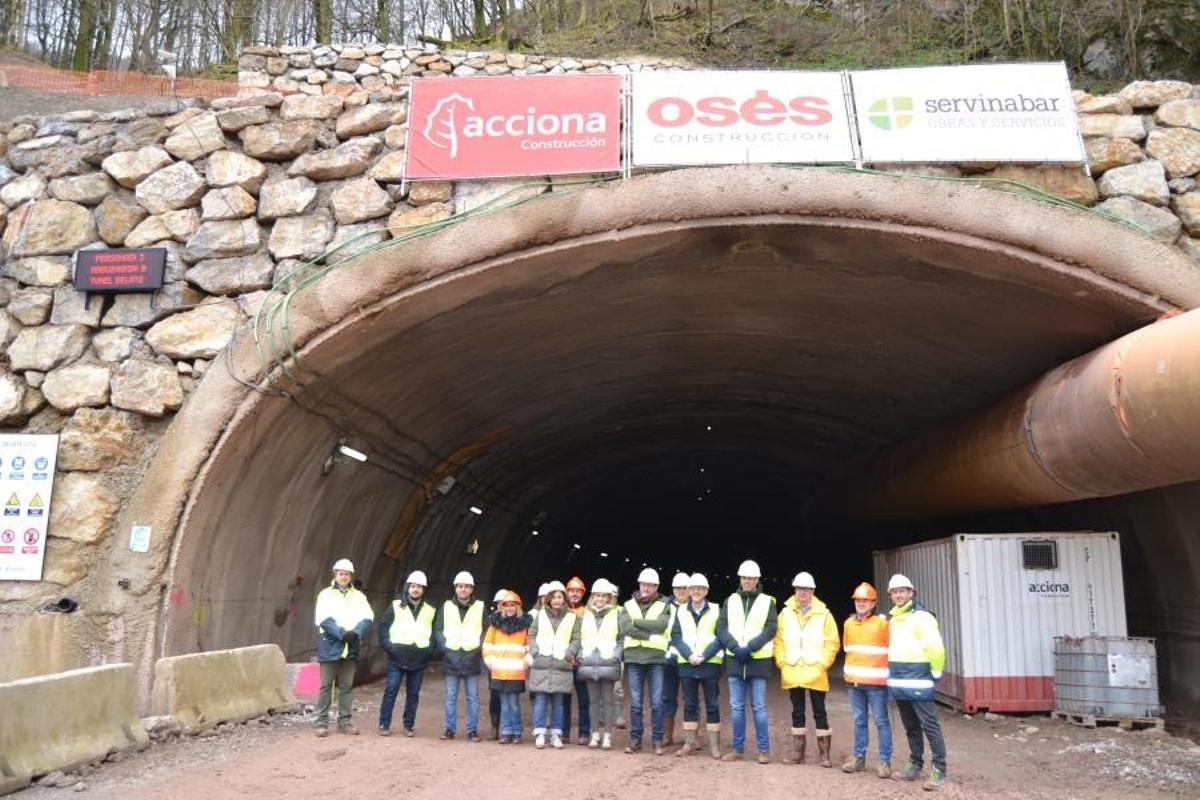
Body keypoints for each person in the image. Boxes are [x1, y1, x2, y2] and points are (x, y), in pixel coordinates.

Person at [886, 574, 949, 791]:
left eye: (902, 591)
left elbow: (937, 648)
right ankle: (915, 763)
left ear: (911, 593)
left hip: (920, 680)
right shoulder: (892, 619)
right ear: (890, 596)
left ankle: (939, 768)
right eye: (895, 592)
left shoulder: (923, 617)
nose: (899, 595)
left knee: (929, 726)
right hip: (900, 681)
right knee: (911, 726)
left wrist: (936, 673)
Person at [774, 571, 839, 767]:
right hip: (793, 669)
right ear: (795, 590)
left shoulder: (824, 614)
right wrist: (782, 663)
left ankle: (824, 754)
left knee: (820, 711)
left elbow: (832, 643)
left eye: (806, 589)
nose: (802, 592)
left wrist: (822, 665)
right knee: (797, 711)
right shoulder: (785, 614)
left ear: (813, 591)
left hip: (815, 670)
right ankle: (797, 753)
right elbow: (778, 642)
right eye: (799, 588)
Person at [716, 559, 777, 764]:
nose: (747, 581)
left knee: (758, 707)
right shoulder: (730, 600)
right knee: (736, 708)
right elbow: (721, 628)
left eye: (751, 578)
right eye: (744, 577)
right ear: (740, 579)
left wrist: (750, 647)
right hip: (735, 660)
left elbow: (771, 628)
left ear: (757, 579)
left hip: (757, 661)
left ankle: (763, 750)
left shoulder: (768, 601)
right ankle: (737, 749)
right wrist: (735, 648)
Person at [313, 558, 374, 736]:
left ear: (351, 576)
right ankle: (321, 723)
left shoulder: (359, 596)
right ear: (335, 575)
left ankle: (345, 722)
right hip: (330, 646)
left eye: (347, 574)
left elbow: (367, 617)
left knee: (346, 686)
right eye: (341, 574)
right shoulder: (325, 595)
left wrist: (355, 633)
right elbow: (323, 619)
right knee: (326, 686)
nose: (344, 577)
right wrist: (342, 634)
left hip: (351, 647)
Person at [669, 573, 723, 759]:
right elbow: (675, 636)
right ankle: (689, 743)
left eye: (700, 588)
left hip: (709, 664)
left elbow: (721, 636)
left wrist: (704, 655)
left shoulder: (716, 609)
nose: (696, 591)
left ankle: (714, 746)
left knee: (712, 705)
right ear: (689, 591)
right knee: (690, 704)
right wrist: (689, 654)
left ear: (706, 591)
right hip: (687, 664)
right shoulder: (681, 611)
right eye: (693, 588)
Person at [842, 581, 893, 778]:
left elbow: (891, 650)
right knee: (859, 721)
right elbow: (847, 649)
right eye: (858, 600)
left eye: (866, 600)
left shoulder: (882, 624)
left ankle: (884, 762)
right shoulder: (848, 624)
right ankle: (859, 759)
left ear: (873, 603)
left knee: (881, 722)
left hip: (877, 685)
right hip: (855, 683)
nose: (861, 603)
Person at [377, 570, 435, 736]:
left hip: (419, 658)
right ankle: (384, 724)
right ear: (408, 588)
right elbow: (383, 627)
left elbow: (433, 632)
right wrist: (389, 647)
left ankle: (408, 725)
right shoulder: (396, 606)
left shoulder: (430, 610)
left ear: (424, 589)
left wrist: (429, 650)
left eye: (419, 587)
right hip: (397, 657)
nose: (416, 589)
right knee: (391, 691)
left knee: (413, 694)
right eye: (413, 586)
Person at [621, 567, 672, 755]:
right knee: (635, 703)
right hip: (634, 658)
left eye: (650, 585)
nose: (646, 588)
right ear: (639, 584)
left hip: (655, 659)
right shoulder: (628, 605)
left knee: (657, 702)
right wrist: (647, 631)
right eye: (643, 584)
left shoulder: (665, 604)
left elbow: (661, 626)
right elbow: (625, 628)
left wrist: (636, 622)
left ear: (656, 587)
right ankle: (636, 740)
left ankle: (657, 740)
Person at [529, 580, 581, 749]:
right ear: (549, 599)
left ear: (565, 599)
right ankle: (540, 733)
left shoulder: (573, 617)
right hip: (542, 664)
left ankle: (556, 734)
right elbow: (531, 634)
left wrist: (569, 653)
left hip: (561, 665)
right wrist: (535, 651)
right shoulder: (540, 615)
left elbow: (576, 638)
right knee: (541, 701)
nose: (558, 600)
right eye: (554, 597)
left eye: (560, 597)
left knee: (559, 703)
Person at [435, 570, 486, 742]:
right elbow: (439, 628)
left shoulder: (480, 606)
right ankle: (450, 729)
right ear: (455, 588)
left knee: (473, 697)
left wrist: (479, 647)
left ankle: (472, 731)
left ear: (472, 589)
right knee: (450, 697)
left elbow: (486, 629)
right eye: (460, 586)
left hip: (472, 656)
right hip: (452, 656)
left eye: (466, 587)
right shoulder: (446, 606)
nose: (463, 589)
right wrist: (444, 647)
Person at [575, 578, 626, 750]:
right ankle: (594, 734)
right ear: (593, 596)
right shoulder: (584, 615)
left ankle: (607, 736)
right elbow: (579, 638)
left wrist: (616, 657)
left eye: (604, 596)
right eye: (597, 596)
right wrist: (581, 656)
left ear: (609, 598)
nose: (601, 599)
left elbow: (621, 639)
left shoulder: (617, 614)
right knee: (593, 702)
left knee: (608, 700)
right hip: (589, 662)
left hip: (608, 661)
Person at [483, 590, 532, 744]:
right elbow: (487, 645)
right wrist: (491, 662)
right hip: (499, 671)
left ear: (518, 607)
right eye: (507, 605)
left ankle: (516, 732)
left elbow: (530, 647)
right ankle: (506, 731)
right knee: (504, 703)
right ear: (502, 607)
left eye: (513, 605)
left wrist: (526, 663)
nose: (510, 608)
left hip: (516, 672)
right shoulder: (494, 626)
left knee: (514, 704)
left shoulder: (525, 627)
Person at [562, 576, 591, 745]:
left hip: (581, 662)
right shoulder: (562, 612)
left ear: (583, 594)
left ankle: (584, 733)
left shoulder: (588, 612)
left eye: (577, 591)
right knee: (564, 699)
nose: (574, 594)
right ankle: (564, 733)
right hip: (565, 661)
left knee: (584, 699)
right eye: (571, 591)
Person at [662, 571, 690, 747]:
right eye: (677, 588)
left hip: (688, 659)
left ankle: (691, 737)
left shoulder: (696, 607)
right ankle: (667, 735)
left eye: (684, 588)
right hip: (668, 658)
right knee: (667, 697)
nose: (680, 591)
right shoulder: (663, 606)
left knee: (690, 698)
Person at [486, 588, 507, 740]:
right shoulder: (490, 621)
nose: (502, 605)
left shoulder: (519, 620)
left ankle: (508, 728)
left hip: (511, 665)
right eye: (500, 603)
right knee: (495, 696)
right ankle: (495, 728)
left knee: (510, 697)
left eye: (505, 603)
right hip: (495, 665)